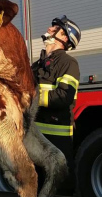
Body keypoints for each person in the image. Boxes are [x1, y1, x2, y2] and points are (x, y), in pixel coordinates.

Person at [31, 15, 81, 169]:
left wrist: (32, 98)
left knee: (57, 187)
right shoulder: (36, 65)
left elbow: (63, 96)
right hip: (35, 138)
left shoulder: (68, 63)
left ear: (64, 37)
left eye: (55, 28)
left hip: (57, 141)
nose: (49, 29)